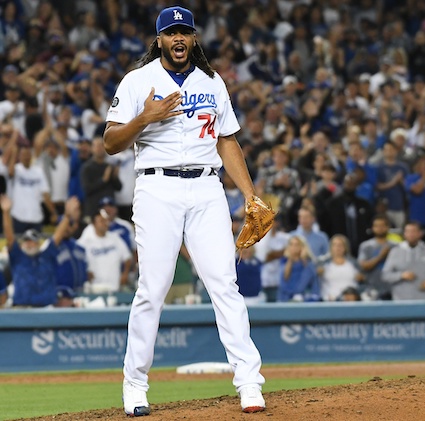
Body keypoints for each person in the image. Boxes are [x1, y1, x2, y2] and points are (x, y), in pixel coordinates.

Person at [103, 6, 266, 415]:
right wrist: (145, 116)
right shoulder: (138, 80)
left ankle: (249, 382)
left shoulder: (212, 81)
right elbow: (110, 142)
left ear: (193, 39)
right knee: (152, 289)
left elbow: (227, 141)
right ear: (158, 40)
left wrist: (249, 195)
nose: (178, 38)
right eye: (170, 32)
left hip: (207, 188)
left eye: (185, 32)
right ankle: (135, 386)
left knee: (225, 284)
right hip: (156, 188)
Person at [1, 195, 78, 307]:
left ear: (38, 243)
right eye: (26, 241)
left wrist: (67, 216)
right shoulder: (17, 257)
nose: (29, 244)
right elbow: (9, 236)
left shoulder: (47, 255)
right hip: (22, 309)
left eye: (32, 241)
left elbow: (57, 236)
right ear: (22, 244)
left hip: (47, 309)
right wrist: (6, 212)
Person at [381, 222, 425, 300]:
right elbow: (385, 275)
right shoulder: (395, 251)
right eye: (408, 231)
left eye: (414, 231)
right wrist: (401, 275)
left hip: (424, 300)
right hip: (401, 301)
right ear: (404, 234)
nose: (411, 234)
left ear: (420, 233)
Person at [78, 209, 133, 293]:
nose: (105, 223)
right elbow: (78, 262)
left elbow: (127, 258)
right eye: (101, 221)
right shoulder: (86, 242)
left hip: (115, 288)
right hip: (95, 289)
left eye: (106, 221)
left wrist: (125, 273)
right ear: (94, 224)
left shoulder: (115, 238)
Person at [357, 214, 396, 300]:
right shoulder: (366, 246)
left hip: (391, 289)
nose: (380, 228)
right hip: (371, 289)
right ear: (372, 228)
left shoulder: (395, 246)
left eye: (382, 226)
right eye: (377, 226)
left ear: (388, 227)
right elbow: (364, 266)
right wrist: (380, 256)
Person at [318, 234, 362, 301]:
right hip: (330, 299)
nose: (338, 247)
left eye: (340, 245)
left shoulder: (354, 263)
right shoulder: (322, 263)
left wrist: (361, 278)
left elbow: (363, 279)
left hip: (350, 299)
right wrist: (318, 272)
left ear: (345, 247)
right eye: (335, 245)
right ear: (331, 247)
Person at [278, 235, 320, 302]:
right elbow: (284, 287)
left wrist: (304, 259)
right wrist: (290, 260)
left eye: (297, 244)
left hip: (305, 302)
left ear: (302, 247)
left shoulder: (309, 265)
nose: (293, 247)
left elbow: (312, 287)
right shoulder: (283, 263)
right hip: (285, 301)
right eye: (291, 244)